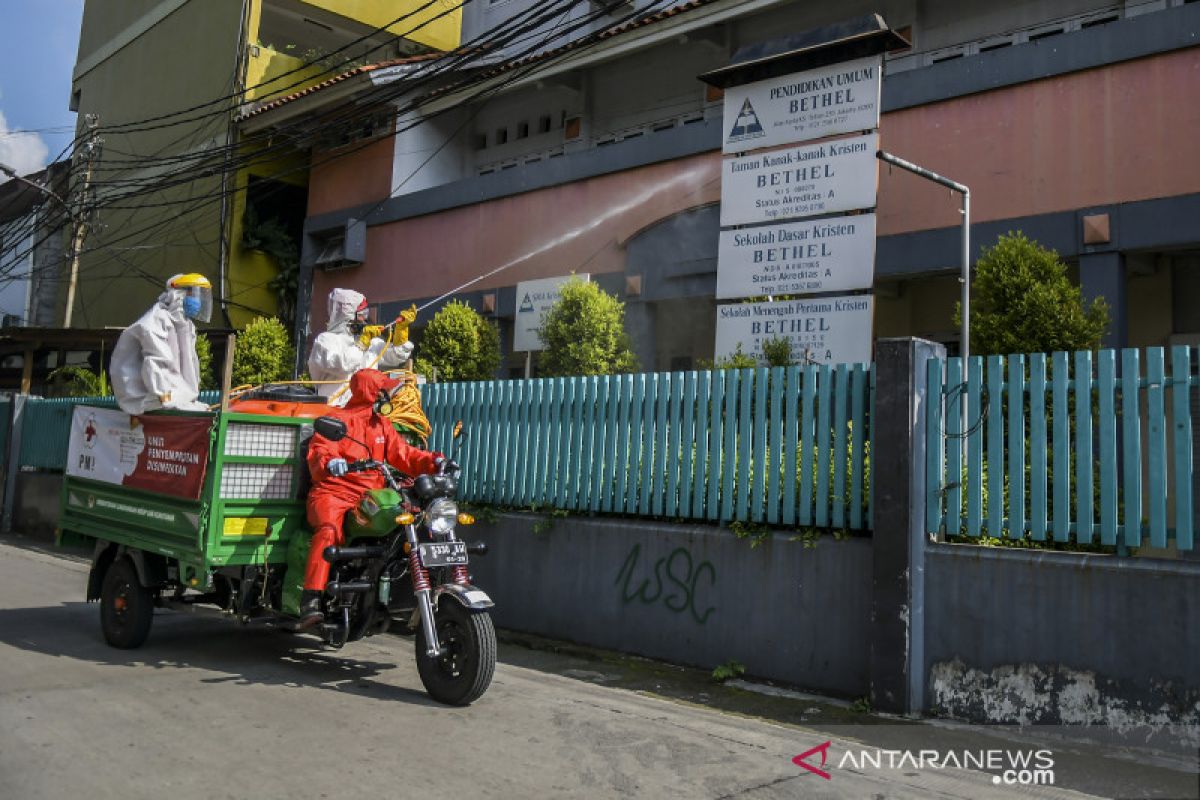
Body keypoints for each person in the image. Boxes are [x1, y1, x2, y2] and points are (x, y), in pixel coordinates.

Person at [299, 368, 445, 629]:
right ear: (370, 393)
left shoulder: (382, 425)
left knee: (407, 522)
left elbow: (404, 454)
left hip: (370, 495)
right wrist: (331, 462)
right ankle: (311, 597)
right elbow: (320, 450)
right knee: (329, 530)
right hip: (333, 491)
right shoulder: (338, 420)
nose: (388, 396)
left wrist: (434, 461)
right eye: (383, 391)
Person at [110, 273, 212, 415]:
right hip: (139, 396)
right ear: (177, 293)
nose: (196, 299)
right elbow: (155, 363)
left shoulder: (186, 326)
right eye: (190, 292)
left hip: (170, 395)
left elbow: (190, 364)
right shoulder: (156, 320)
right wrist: (164, 396)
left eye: (196, 293)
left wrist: (189, 397)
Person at [308, 288, 414, 406]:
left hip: (366, 411)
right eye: (362, 314)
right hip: (333, 411)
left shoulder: (371, 342)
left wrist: (401, 333)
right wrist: (361, 345)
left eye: (366, 313)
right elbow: (342, 365)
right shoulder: (326, 340)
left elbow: (395, 357)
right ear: (347, 315)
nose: (365, 319)